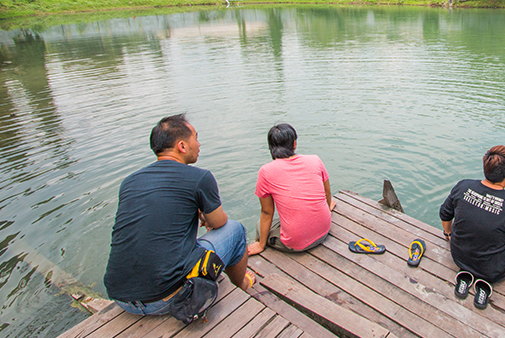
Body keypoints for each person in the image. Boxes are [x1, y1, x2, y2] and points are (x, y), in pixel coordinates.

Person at [104, 114, 251, 316]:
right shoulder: (200, 177)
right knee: (235, 229)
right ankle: (243, 283)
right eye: (196, 138)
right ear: (182, 146)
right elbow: (219, 223)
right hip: (166, 299)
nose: (199, 144)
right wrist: (206, 215)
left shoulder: (129, 182)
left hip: (121, 298)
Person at [439, 145, 505, 283]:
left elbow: (445, 214)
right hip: (492, 272)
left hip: (459, 258)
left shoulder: (463, 186)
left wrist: (448, 233)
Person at [247, 123, 335, 255]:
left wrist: (261, 244)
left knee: (261, 224)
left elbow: (267, 212)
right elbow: (327, 192)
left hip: (297, 244)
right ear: (294, 144)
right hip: (324, 230)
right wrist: (327, 208)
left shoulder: (266, 171)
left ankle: (260, 246)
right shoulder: (315, 160)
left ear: (271, 147)